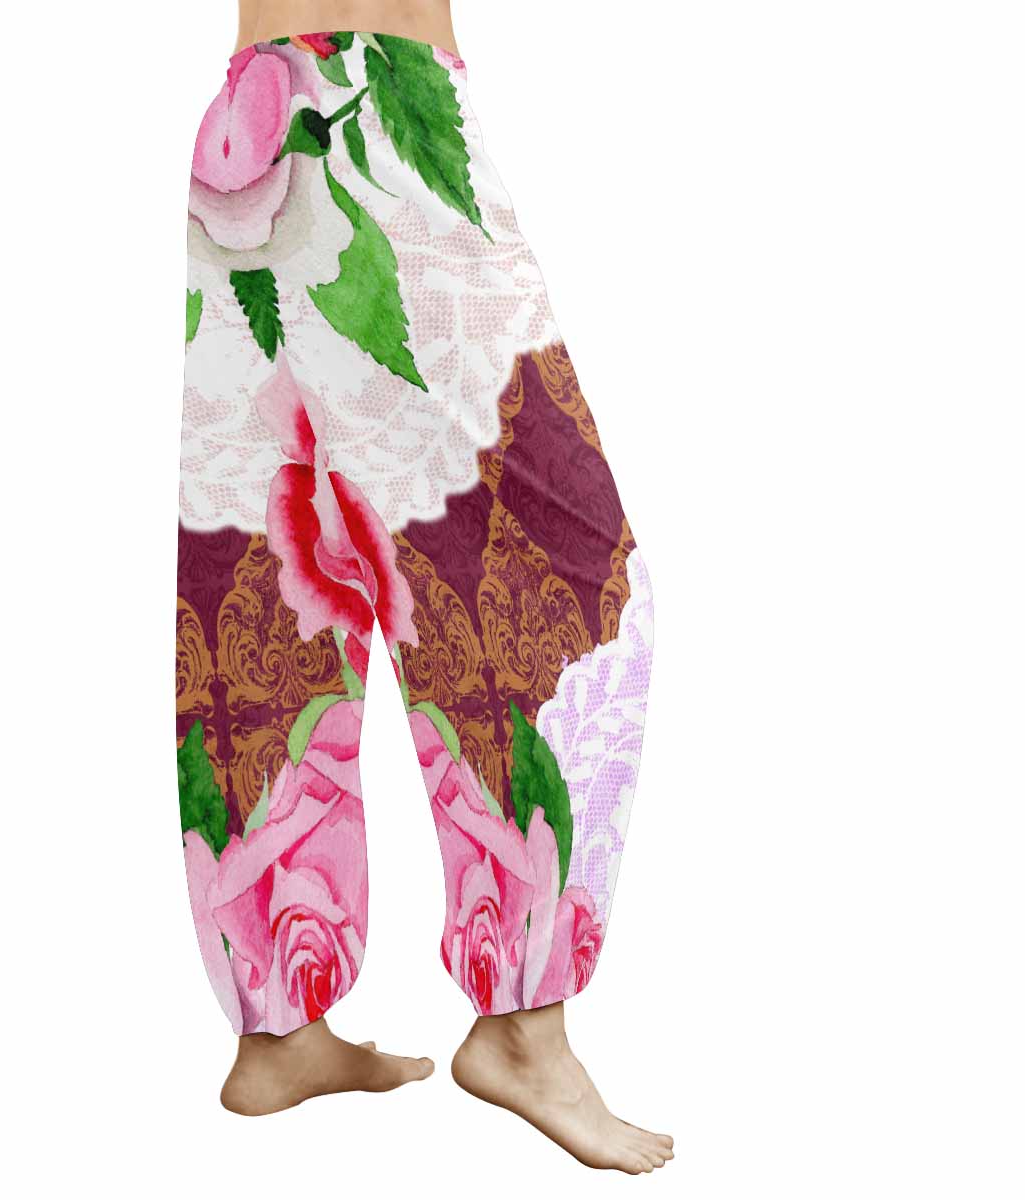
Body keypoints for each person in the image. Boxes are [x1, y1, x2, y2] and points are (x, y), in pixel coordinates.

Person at [176, 0, 674, 1174]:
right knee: (573, 584)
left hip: (252, 127)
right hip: (368, 115)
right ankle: (523, 1029)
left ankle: (276, 1026)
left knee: (277, 574)